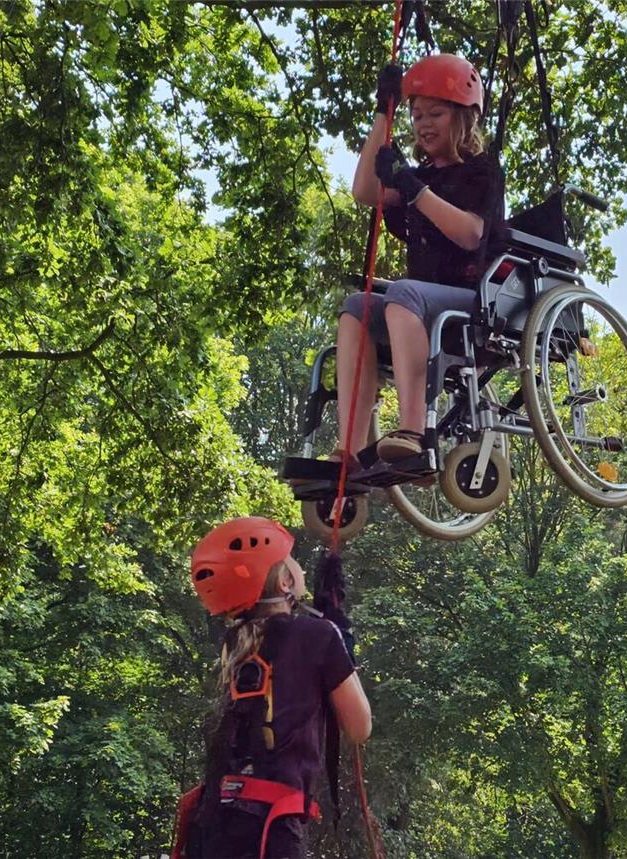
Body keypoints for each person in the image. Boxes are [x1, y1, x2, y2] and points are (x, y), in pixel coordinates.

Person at [334, 53, 505, 466]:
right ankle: (350, 450)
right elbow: (365, 191)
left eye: (436, 114)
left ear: (463, 117)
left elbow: (470, 233)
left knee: (404, 293)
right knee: (357, 306)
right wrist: (383, 111)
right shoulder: (422, 178)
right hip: (418, 309)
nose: (423, 124)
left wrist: (412, 188)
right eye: (415, 115)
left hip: (474, 306)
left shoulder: (482, 172)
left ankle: (414, 432)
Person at [174, 516, 372, 859]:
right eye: (293, 562)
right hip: (269, 830)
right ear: (284, 581)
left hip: (212, 828)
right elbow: (360, 727)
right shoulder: (320, 636)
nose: (302, 570)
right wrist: (340, 644)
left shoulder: (234, 643)